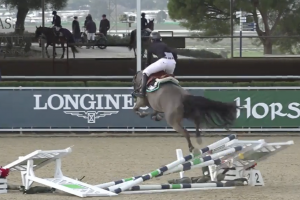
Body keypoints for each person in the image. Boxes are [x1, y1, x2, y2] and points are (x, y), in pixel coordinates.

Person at [136, 32, 178, 98]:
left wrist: (146, 67)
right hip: (172, 62)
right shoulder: (165, 45)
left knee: (145, 72)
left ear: (151, 39)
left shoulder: (150, 46)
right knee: (170, 79)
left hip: (163, 61)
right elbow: (175, 54)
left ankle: (142, 92)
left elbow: (148, 61)